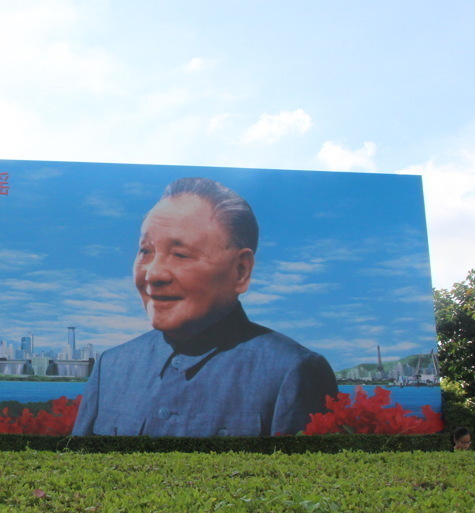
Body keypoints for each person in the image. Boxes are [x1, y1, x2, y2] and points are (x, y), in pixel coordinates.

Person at [72, 177, 338, 438]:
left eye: (180, 254)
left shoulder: (291, 370)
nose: (153, 274)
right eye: (145, 251)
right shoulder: (112, 366)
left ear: (240, 270)